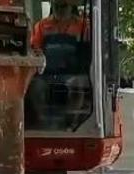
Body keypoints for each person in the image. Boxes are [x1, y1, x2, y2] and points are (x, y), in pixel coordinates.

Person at [27, 0, 91, 130]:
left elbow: (90, 51)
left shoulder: (83, 26)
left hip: (73, 73)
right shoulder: (42, 26)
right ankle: (42, 123)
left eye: (63, 5)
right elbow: (35, 49)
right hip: (47, 74)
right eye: (56, 5)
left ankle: (71, 123)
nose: (59, 9)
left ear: (71, 6)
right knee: (34, 86)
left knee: (78, 85)